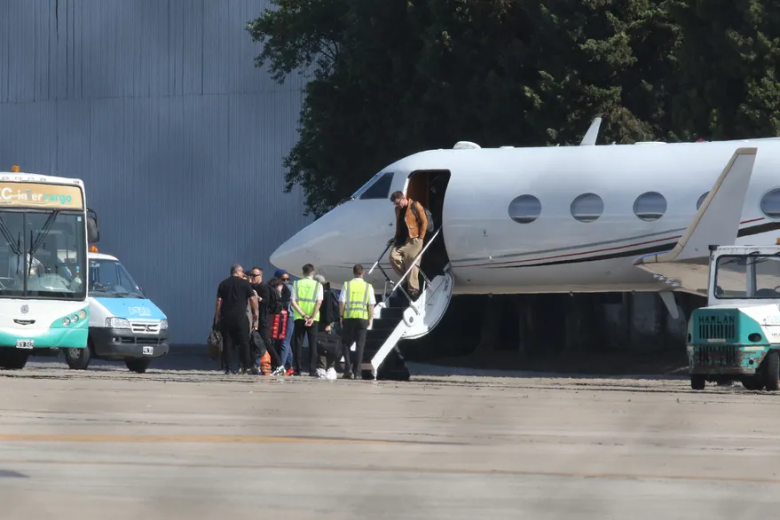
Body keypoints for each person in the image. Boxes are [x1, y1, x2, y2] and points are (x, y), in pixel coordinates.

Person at [214, 264, 258, 375]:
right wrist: (255, 312)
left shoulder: (223, 284)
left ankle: (228, 368)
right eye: (242, 271)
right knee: (244, 342)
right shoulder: (245, 284)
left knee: (227, 342)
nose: (243, 273)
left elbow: (219, 301)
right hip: (241, 317)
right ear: (238, 272)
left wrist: (217, 316)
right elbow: (252, 299)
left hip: (227, 317)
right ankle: (246, 366)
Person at [387, 190, 427, 299]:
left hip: (414, 238)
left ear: (403, 198)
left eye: (398, 202)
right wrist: (395, 237)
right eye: (395, 204)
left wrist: (421, 238)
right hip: (403, 239)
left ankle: (413, 289)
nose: (397, 205)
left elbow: (424, 221)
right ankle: (408, 279)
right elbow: (398, 225)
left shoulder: (415, 205)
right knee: (393, 257)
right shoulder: (397, 210)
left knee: (412, 261)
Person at [339, 264, 376, 380]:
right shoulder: (368, 287)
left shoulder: (347, 285)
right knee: (360, 345)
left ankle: (347, 369)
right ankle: (357, 372)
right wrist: (370, 318)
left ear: (353, 272)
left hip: (349, 318)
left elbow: (341, 302)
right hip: (362, 318)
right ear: (363, 273)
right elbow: (371, 305)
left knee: (345, 343)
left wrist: (341, 316)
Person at [248, 267, 285, 376]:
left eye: (254, 276)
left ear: (260, 276)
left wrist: (258, 298)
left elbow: (266, 302)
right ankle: (265, 365)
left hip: (263, 319)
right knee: (257, 342)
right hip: (258, 318)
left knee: (266, 342)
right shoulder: (254, 287)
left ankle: (279, 365)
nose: (252, 278)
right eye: (251, 275)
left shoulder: (263, 287)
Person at [290, 263, 323, 376]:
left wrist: (304, 315)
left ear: (303, 273)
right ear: (313, 273)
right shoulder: (318, 285)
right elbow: (319, 302)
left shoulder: (296, 284)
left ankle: (297, 369)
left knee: (298, 343)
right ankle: (312, 370)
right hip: (314, 319)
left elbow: (293, 302)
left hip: (300, 317)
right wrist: (312, 317)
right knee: (313, 344)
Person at [274, 269, 295, 375]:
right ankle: (290, 366)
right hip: (279, 316)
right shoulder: (275, 288)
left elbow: (291, 302)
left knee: (284, 342)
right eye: (283, 279)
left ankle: (281, 366)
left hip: (289, 316)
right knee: (285, 342)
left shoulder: (290, 288)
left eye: (288, 279)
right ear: (277, 279)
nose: (286, 281)